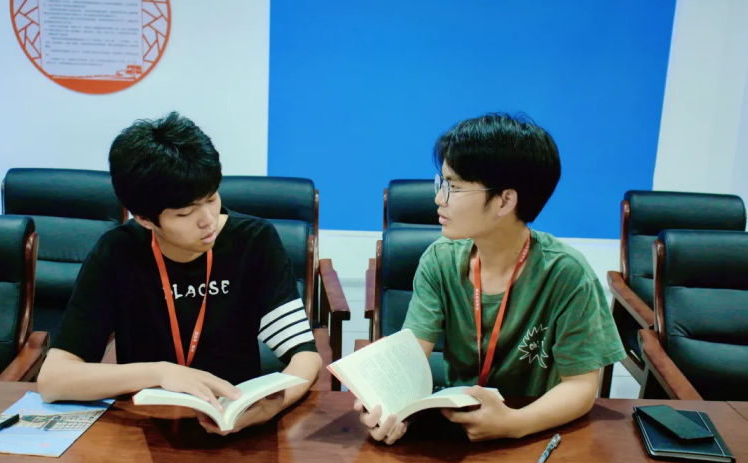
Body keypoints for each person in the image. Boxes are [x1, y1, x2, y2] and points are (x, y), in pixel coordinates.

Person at [37, 112, 321, 435]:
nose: (208, 220)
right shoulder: (117, 253)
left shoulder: (254, 242)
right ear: (144, 218)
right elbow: (53, 380)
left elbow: (305, 357)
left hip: (239, 427)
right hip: (147, 431)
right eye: (185, 213)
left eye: (212, 198)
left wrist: (272, 406)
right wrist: (160, 373)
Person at [356, 113, 625, 444]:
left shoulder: (567, 274)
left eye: (454, 187)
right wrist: (386, 406)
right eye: (442, 183)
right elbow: (410, 357)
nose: (439, 198)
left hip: (535, 433)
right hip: (458, 427)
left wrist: (515, 423)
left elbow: (582, 386)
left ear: (505, 201)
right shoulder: (439, 261)